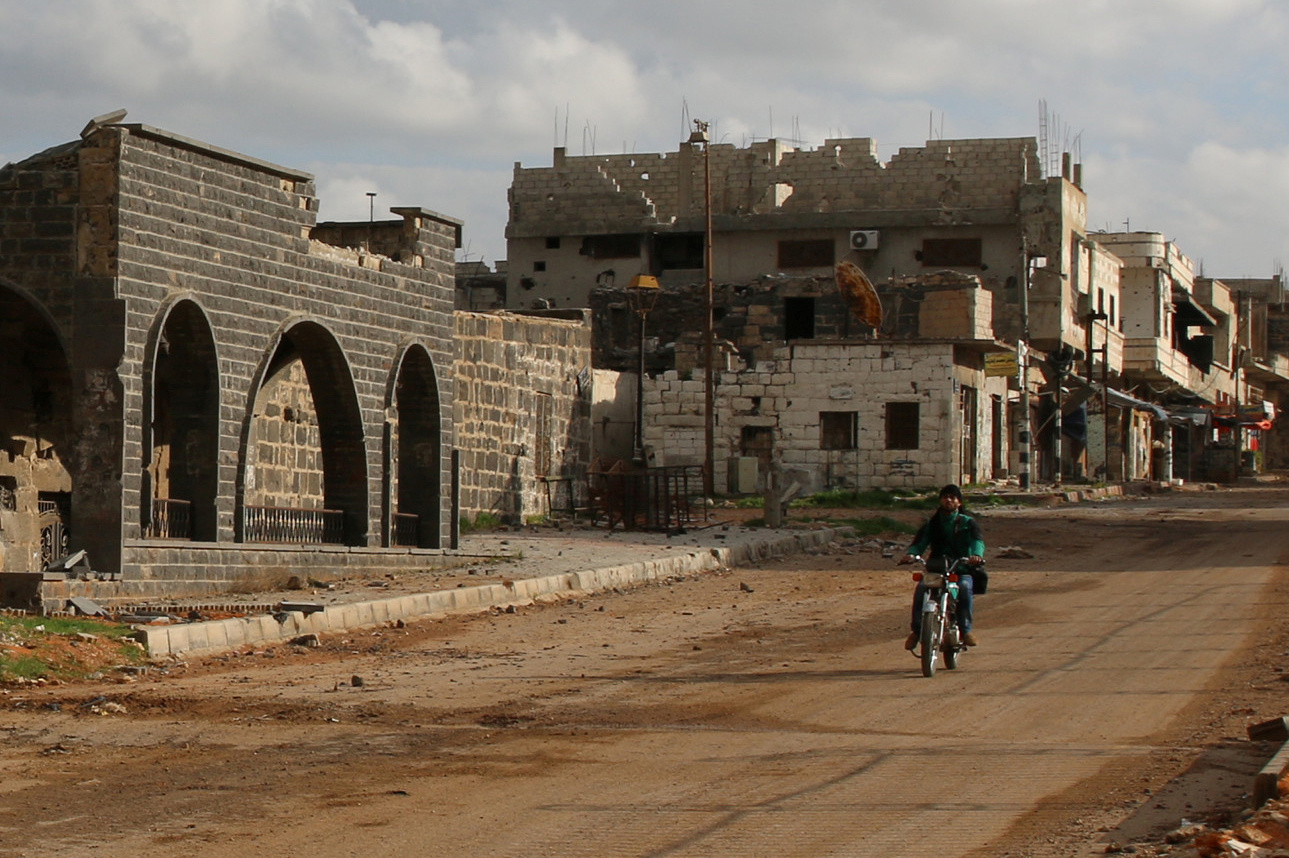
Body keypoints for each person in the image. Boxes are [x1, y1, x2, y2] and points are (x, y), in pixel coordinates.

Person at [897, 484, 986, 649]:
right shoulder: (933, 524)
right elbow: (919, 543)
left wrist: (976, 556)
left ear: (959, 502)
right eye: (945, 497)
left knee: (965, 589)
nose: (948, 500)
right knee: (921, 590)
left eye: (952, 497)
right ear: (940, 500)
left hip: (961, 569)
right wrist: (912, 554)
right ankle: (917, 631)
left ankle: (966, 630)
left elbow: (977, 541)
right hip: (936, 568)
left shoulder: (968, 523)